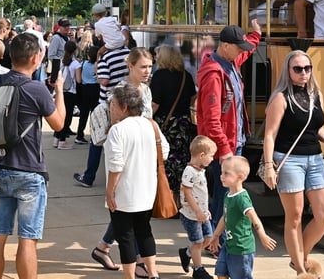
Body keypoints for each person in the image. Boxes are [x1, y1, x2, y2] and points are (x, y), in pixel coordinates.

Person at [0, 32, 65, 279]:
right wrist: (59, 90)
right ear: (35, 59)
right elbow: (59, 124)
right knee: (28, 239)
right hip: (29, 170)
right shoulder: (37, 89)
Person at [261, 50, 324, 276]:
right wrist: (268, 166)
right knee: (294, 216)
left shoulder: (315, 95)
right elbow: (270, 135)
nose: (304, 73)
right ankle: (301, 269)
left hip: (315, 158)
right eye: (298, 69)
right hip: (289, 160)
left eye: (308, 68)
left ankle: (300, 257)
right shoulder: (281, 98)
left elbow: (316, 129)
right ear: (288, 71)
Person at [196, 20, 261, 230]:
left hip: (233, 142)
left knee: (226, 193)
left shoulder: (229, 62)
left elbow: (245, 52)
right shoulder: (215, 74)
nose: (241, 52)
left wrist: (256, 35)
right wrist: (224, 150)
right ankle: (216, 239)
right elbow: (212, 120)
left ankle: (215, 238)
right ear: (225, 46)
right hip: (226, 146)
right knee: (224, 195)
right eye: (237, 47)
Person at [104, 82, 170, 279]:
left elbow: (116, 166)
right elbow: (164, 152)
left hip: (124, 194)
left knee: (126, 237)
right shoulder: (151, 125)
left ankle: (130, 276)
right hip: (147, 191)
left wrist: (109, 192)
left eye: (113, 105)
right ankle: (153, 273)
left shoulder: (118, 130)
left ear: (124, 107)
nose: (111, 109)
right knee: (144, 232)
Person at [73, 41, 132, 188]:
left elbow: (103, 80)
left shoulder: (106, 57)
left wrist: (99, 59)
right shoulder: (129, 53)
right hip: (128, 103)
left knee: (97, 140)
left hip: (109, 103)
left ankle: (88, 176)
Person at [208, 156, 276, 279]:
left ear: (241, 176)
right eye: (222, 172)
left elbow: (254, 218)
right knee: (221, 273)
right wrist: (216, 235)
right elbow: (225, 217)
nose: (221, 176)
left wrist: (263, 236)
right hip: (228, 245)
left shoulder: (242, 198)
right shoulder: (228, 195)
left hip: (241, 249)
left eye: (226, 173)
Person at [151, 44, 198, 197]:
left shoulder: (159, 76)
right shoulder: (186, 75)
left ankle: (166, 200)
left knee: (164, 161)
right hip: (183, 125)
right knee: (182, 162)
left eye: (158, 56)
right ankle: (181, 199)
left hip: (166, 125)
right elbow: (192, 99)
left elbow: (155, 104)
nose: (156, 59)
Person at [177, 135, 217, 279]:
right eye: (211, 156)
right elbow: (187, 193)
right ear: (202, 155)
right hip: (191, 215)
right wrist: (198, 212)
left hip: (202, 214)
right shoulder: (189, 172)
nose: (212, 159)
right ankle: (198, 269)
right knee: (198, 242)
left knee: (208, 238)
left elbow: (201, 194)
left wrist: (205, 211)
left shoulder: (200, 170)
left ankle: (187, 253)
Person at [54, 41, 81, 149]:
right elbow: (78, 80)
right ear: (75, 50)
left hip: (61, 91)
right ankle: (62, 141)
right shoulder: (76, 64)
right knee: (67, 117)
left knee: (60, 115)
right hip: (71, 91)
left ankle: (56, 139)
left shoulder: (61, 61)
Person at [74, 45, 100, 145]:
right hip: (95, 89)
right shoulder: (97, 65)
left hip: (85, 89)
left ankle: (79, 135)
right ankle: (94, 136)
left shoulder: (83, 63)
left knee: (83, 114)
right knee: (95, 114)